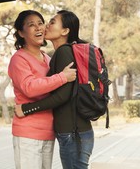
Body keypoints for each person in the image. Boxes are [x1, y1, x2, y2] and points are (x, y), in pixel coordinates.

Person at [15, 10, 94, 169]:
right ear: (21, 33)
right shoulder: (24, 58)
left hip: (72, 132)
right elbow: (31, 88)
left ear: (65, 31)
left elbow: (62, 95)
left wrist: (27, 108)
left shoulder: (61, 53)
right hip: (57, 132)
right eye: (32, 25)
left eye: (48, 22)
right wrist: (62, 77)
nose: (43, 27)